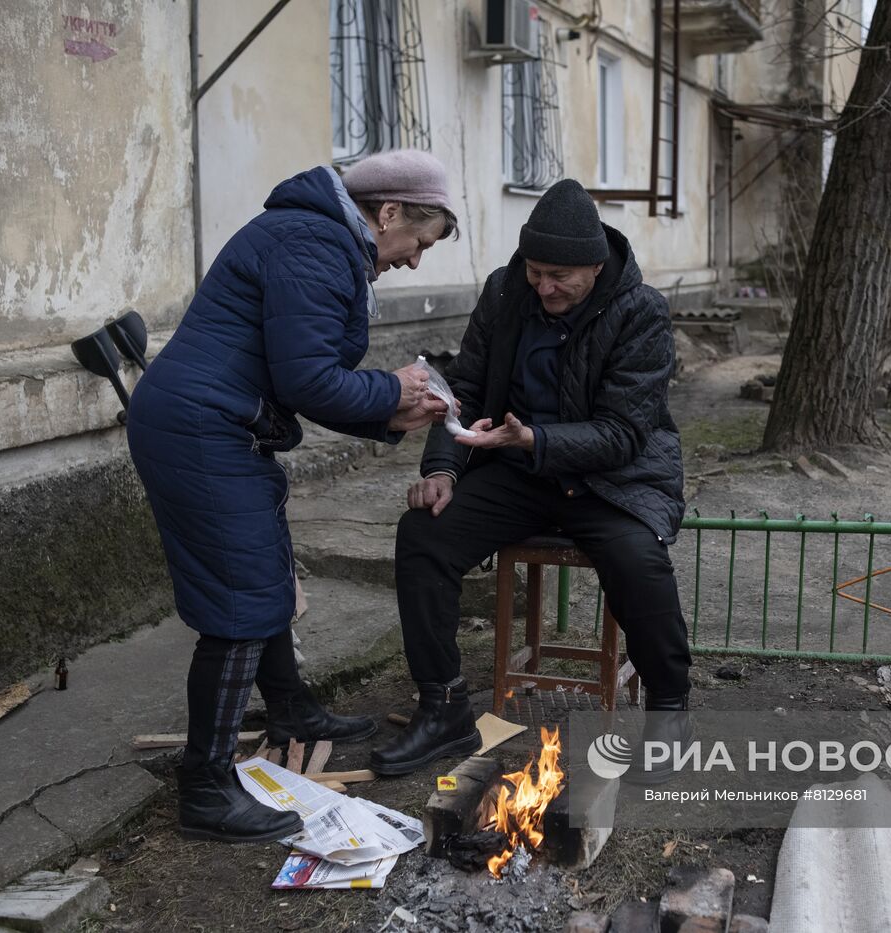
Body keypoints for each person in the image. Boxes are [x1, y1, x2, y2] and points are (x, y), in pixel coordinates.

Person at [127, 151, 457, 843]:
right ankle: (208, 787)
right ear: (389, 211)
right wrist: (391, 391)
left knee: (267, 575)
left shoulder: (321, 238)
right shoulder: (313, 242)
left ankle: (291, 711)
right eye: (418, 244)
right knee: (240, 605)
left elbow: (305, 374)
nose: (414, 261)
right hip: (202, 431)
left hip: (221, 426)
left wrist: (388, 414)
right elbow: (309, 378)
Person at [369, 178, 693, 777]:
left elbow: (624, 432)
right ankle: (442, 710)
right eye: (535, 272)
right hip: (516, 470)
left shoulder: (640, 311)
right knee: (423, 535)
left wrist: (536, 438)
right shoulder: (504, 290)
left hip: (611, 477)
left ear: (594, 267)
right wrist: (443, 466)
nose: (543, 287)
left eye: (558, 277)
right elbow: (462, 388)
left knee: (638, 562)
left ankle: (669, 709)